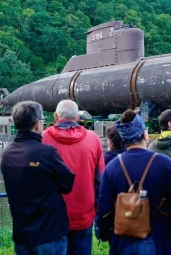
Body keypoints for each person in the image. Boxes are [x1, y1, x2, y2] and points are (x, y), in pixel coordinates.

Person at [97, 109, 171, 255]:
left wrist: (106, 234)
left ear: (123, 139)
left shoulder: (111, 168)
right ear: (144, 134)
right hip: (162, 240)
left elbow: (104, 210)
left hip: (124, 241)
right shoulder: (165, 164)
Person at [1, 101, 75, 255]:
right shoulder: (46, 152)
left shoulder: (7, 154)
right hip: (49, 233)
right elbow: (68, 183)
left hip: (22, 234)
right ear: (37, 124)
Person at [42, 99, 105, 255]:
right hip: (83, 212)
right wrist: (96, 209)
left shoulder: (43, 138)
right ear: (78, 117)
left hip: (53, 215)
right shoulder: (93, 139)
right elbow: (100, 180)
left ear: (56, 116)